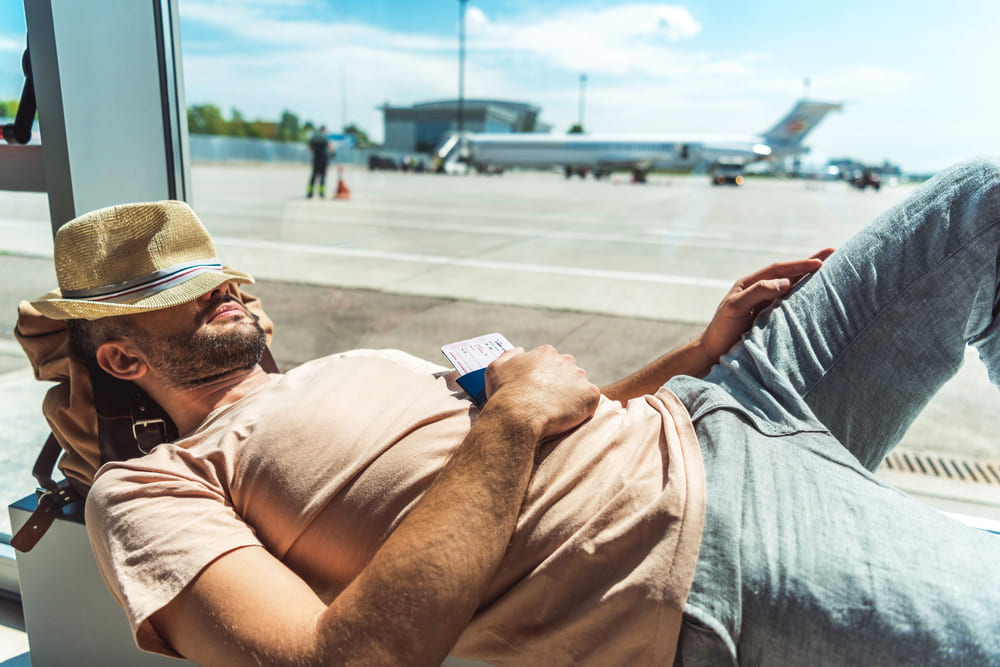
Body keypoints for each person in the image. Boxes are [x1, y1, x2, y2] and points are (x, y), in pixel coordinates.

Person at [25, 158, 1000, 666]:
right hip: (692, 542)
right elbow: (341, 661)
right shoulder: (149, 488)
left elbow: (549, 417)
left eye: (220, 274)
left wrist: (697, 352)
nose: (227, 288)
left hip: (720, 406)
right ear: (122, 354)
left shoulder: (336, 370)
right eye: (190, 292)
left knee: (979, 203)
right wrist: (505, 423)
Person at [306, 125, 333, 198]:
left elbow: (310, 148)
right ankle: (321, 193)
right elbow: (330, 147)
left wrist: (315, 153)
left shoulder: (314, 137)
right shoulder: (325, 137)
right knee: (323, 176)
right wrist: (332, 153)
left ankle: (310, 193)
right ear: (324, 130)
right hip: (324, 158)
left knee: (314, 176)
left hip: (316, 158)